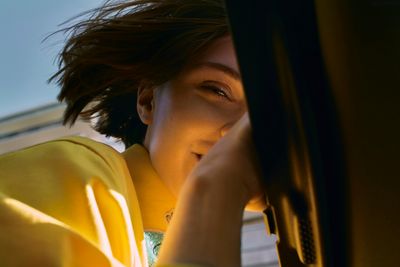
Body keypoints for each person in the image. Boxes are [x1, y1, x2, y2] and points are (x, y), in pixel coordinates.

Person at [0, 0, 266, 266]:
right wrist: (216, 186)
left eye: (270, 116)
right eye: (216, 91)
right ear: (147, 100)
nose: (237, 132)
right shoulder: (78, 172)